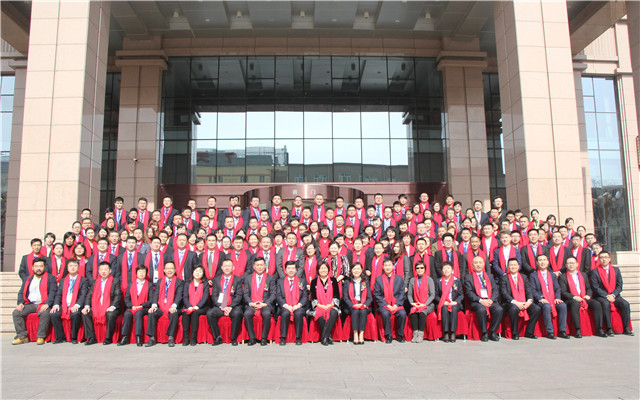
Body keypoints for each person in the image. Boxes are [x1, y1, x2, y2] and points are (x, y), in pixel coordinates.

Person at [12, 258, 57, 345]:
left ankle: (40, 336)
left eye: (41, 266)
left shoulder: (50, 278)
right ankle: (22, 336)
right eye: (36, 266)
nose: (38, 268)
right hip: (30, 304)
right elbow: (21, 292)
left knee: (45, 313)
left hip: (43, 303)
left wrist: (47, 304)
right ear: (32, 267)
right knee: (16, 313)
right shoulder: (28, 279)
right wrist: (20, 303)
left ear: (44, 267)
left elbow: (53, 292)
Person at [558, 257, 606, 338]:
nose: (571, 265)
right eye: (569, 263)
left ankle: (599, 329)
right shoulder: (563, 277)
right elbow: (563, 292)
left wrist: (588, 295)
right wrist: (574, 297)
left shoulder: (583, 275)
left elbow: (588, 288)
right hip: (571, 299)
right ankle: (577, 330)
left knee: (596, 304)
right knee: (575, 304)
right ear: (566, 265)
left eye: (573, 263)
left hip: (583, 297)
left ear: (577, 264)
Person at [590, 251, 634, 336]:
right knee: (605, 304)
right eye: (601, 258)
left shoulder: (616, 270)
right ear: (599, 259)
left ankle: (626, 328)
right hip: (602, 296)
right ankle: (609, 328)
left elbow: (619, 285)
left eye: (606, 257)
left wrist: (613, 295)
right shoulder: (595, 272)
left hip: (615, 295)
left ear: (609, 259)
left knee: (625, 304)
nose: (604, 259)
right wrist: (606, 296)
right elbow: (595, 287)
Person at [528, 254, 569, 339]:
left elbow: (557, 288)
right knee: (546, 306)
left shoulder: (552, 275)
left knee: (562, 305)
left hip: (552, 298)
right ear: (537, 263)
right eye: (540, 260)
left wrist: (557, 298)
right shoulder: (533, 275)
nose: (542, 262)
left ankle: (562, 331)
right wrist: (540, 298)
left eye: (544, 260)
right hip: (541, 300)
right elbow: (533, 290)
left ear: (548, 262)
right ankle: (550, 331)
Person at [463, 256, 503, 342]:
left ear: (484, 264)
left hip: (490, 300)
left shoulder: (490, 276)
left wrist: (491, 299)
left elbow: (495, 290)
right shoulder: (468, 277)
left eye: (480, 262)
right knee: (481, 310)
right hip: (477, 302)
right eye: (476, 263)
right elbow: (469, 293)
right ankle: (484, 333)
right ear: (472, 265)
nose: (478, 265)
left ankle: (493, 332)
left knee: (499, 309)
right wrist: (481, 300)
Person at [82, 261, 122, 345]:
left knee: (110, 314)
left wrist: (113, 306)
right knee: (85, 313)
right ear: (98, 271)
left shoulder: (115, 281)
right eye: (101, 270)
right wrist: (87, 306)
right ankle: (91, 337)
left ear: (110, 271)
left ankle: (108, 338)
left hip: (111, 306)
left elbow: (118, 295)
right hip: (97, 307)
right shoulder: (95, 282)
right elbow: (89, 295)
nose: (103, 271)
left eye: (105, 269)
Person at [50, 259, 90, 344]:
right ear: (67, 268)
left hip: (76, 304)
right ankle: (60, 337)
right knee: (54, 314)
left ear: (78, 268)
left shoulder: (83, 280)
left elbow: (83, 295)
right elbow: (58, 294)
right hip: (64, 304)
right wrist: (56, 304)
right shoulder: (63, 280)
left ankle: (74, 337)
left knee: (75, 314)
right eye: (70, 266)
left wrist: (77, 305)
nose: (73, 268)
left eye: (75, 266)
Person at [500, 258, 541, 340]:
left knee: (536, 309)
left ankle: (529, 332)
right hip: (510, 302)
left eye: (515, 265)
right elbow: (504, 293)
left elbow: (529, 291)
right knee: (514, 309)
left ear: (518, 266)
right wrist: (516, 302)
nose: (513, 267)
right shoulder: (504, 278)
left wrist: (529, 301)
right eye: (511, 265)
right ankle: (515, 333)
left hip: (524, 301)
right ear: (508, 267)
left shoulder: (524, 277)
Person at [206, 259, 244, 346]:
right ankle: (217, 337)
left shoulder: (237, 280)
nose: (227, 268)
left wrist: (230, 307)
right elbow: (214, 295)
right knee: (210, 313)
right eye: (225, 266)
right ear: (222, 268)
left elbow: (239, 295)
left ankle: (233, 338)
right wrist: (221, 306)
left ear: (233, 267)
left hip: (233, 306)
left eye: (229, 266)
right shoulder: (216, 279)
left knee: (237, 313)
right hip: (221, 305)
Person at [146, 262, 183, 347]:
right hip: (161, 307)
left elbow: (179, 295)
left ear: (175, 270)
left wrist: (174, 305)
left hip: (172, 306)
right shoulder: (160, 281)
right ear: (164, 270)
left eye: (171, 268)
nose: (169, 270)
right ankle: (151, 338)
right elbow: (156, 294)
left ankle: (170, 338)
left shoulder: (179, 282)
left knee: (174, 313)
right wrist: (154, 305)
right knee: (152, 312)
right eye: (167, 268)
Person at [243, 257, 276, 346]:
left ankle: (264, 338)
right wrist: (251, 303)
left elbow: (273, 294)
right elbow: (245, 294)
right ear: (254, 266)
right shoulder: (248, 278)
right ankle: (252, 338)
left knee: (266, 314)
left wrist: (265, 304)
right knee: (247, 314)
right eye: (257, 265)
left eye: (261, 265)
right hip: (252, 303)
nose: (260, 267)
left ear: (265, 266)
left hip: (265, 304)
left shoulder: (270, 278)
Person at [373, 259, 407, 343]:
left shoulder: (399, 278)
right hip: (384, 305)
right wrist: (387, 305)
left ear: (393, 267)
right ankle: (388, 335)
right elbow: (377, 294)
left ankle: (400, 335)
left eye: (389, 265)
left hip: (396, 304)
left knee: (402, 314)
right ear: (383, 267)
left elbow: (402, 293)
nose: (387, 267)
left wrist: (396, 305)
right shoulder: (378, 279)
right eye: (385, 265)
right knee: (385, 313)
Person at [118, 266, 152, 346]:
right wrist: (131, 306)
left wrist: (141, 306)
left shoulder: (149, 285)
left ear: (146, 273)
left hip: (143, 308)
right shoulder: (131, 284)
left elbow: (151, 300)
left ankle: (138, 337)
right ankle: (124, 337)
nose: (141, 273)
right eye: (140, 271)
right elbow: (127, 298)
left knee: (138, 313)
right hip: (132, 307)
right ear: (136, 273)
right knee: (127, 314)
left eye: (143, 272)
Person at [276, 261, 308, 345]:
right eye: (289, 268)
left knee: (298, 313)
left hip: (298, 306)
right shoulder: (280, 281)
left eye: (293, 268)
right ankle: (283, 338)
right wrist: (286, 305)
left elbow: (305, 296)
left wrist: (298, 305)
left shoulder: (302, 281)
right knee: (285, 313)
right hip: (285, 306)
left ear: (296, 270)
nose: (291, 270)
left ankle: (298, 338)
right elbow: (278, 296)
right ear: (285, 270)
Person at [308, 261, 341, 346]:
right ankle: (328, 336)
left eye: (325, 268)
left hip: (331, 304)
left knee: (334, 312)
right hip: (319, 305)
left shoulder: (333, 280)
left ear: (328, 269)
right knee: (320, 313)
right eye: (321, 268)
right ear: (318, 270)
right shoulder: (314, 282)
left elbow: (336, 295)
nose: (323, 270)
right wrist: (321, 306)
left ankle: (324, 337)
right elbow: (313, 297)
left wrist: (330, 305)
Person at [407, 261, 435, 343]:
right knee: (413, 313)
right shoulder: (412, 280)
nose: (420, 269)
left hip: (427, 304)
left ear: (425, 269)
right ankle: (415, 333)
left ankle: (420, 334)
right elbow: (409, 294)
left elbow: (432, 295)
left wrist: (424, 304)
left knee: (422, 313)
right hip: (416, 303)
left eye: (422, 268)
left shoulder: (429, 280)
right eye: (418, 268)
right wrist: (412, 303)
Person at [343, 262, 372, 345]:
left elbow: (369, 297)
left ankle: (361, 334)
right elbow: (345, 297)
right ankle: (355, 334)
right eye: (354, 269)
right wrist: (352, 305)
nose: (356, 271)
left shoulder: (365, 281)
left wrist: (364, 305)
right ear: (351, 270)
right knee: (355, 311)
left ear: (361, 270)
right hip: (352, 304)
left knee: (363, 311)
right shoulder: (347, 282)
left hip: (363, 304)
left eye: (358, 269)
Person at [435, 262, 464, 343]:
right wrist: (442, 301)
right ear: (442, 271)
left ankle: (453, 332)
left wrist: (456, 302)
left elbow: (461, 294)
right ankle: (446, 333)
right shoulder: (438, 281)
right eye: (444, 268)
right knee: (444, 308)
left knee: (454, 309)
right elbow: (436, 295)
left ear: (452, 270)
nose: (446, 270)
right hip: (443, 303)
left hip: (454, 303)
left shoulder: (457, 281)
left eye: (448, 268)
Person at [181, 265, 210, 346]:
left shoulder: (205, 284)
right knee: (186, 313)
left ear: (203, 274)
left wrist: (198, 306)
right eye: (196, 271)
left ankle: (193, 338)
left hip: (201, 307)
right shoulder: (187, 283)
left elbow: (205, 297)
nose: (198, 273)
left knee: (195, 313)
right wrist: (189, 306)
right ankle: (186, 338)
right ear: (193, 272)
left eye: (200, 271)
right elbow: (185, 297)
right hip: (189, 306)